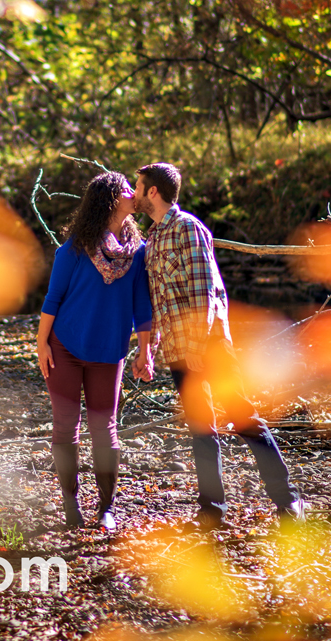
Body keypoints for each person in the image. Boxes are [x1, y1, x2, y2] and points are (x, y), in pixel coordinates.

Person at [134, 161, 304, 528]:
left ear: (153, 191)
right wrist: (151, 348)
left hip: (209, 346)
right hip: (179, 349)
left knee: (244, 419)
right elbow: (161, 300)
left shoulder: (187, 228)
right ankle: (212, 511)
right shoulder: (154, 239)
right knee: (201, 429)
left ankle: (288, 501)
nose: (134, 192)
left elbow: (205, 293)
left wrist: (196, 347)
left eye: (138, 185)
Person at [36, 171, 155, 531]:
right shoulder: (73, 249)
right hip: (65, 347)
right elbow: (52, 299)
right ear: (109, 199)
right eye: (126, 189)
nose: (134, 194)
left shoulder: (137, 253)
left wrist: (145, 350)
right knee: (65, 428)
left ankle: (106, 508)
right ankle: (71, 505)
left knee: (105, 429)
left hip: (109, 350)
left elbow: (142, 306)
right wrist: (41, 343)